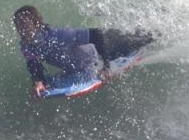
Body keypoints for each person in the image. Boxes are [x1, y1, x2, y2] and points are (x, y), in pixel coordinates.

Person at [13, 5, 155, 97]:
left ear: (37, 23)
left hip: (108, 50)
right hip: (84, 66)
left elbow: (96, 35)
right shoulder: (26, 45)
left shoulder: (58, 36)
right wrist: (38, 82)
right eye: (18, 25)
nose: (21, 29)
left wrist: (107, 66)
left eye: (25, 24)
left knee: (146, 38)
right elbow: (34, 65)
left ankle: (160, 27)